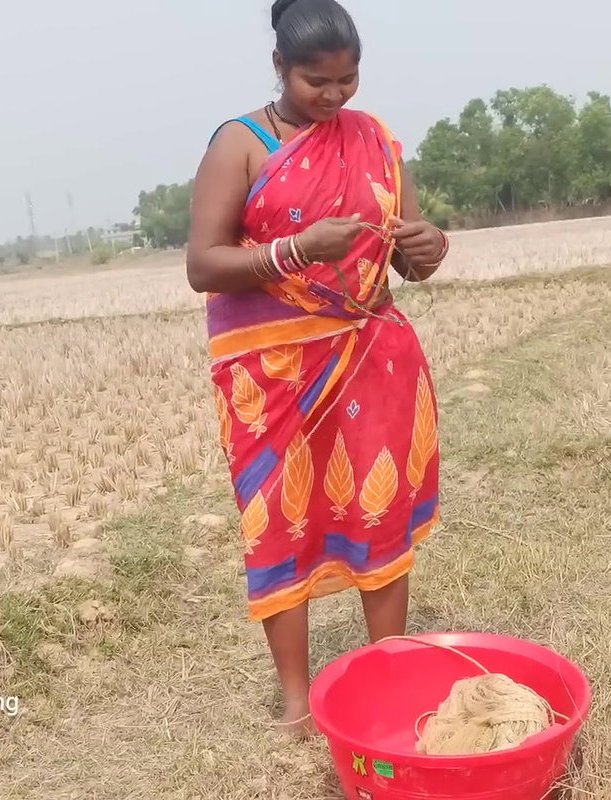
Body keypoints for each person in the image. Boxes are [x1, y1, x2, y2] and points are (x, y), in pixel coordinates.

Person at [185, 0, 448, 737]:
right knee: (281, 520)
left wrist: (428, 249)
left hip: (371, 358)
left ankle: (391, 670)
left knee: (378, 505)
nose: (334, 97)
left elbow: (402, 252)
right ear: (278, 68)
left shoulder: (377, 141)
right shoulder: (240, 144)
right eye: (315, 81)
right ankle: (298, 706)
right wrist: (297, 249)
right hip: (271, 374)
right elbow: (203, 264)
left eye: (349, 79)